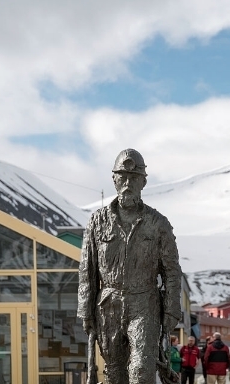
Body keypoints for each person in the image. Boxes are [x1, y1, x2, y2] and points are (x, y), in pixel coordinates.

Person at [77, 148, 182, 384]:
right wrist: (85, 311)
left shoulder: (158, 224)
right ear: (114, 179)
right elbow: (88, 270)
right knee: (114, 372)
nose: (127, 183)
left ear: (143, 182)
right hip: (108, 305)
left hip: (144, 304)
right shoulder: (97, 221)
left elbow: (172, 272)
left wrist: (172, 310)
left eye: (134, 178)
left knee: (141, 370)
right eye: (122, 177)